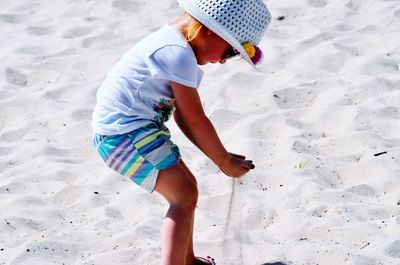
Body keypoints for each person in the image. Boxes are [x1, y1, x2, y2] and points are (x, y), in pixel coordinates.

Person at [91, 0, 271, 264]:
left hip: (130, 131)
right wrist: (222, 161)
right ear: (209, 30)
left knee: (188, 190)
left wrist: (220, 156)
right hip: (124, 134)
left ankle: (186, 260)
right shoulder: (177, 54)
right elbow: (195, 119)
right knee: (183, 195)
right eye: (231, 51)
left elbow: (184, 118)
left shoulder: (173, 43)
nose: (222, 61)